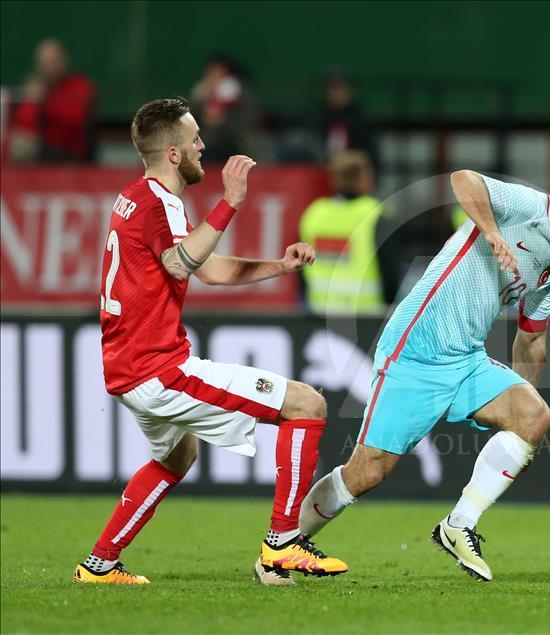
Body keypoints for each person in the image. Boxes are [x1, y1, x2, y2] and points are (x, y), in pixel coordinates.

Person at [298, 156, 550, 581]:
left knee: (535, 416)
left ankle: (458, 526)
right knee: (366, 472)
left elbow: (531, 339)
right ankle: (287, 542)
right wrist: (492, 234)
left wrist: (521, 431)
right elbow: (462, 178)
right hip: (416, 349)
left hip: (466, 358)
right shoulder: (527, 206)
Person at [73, 98, 347, 587]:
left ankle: (99, 565)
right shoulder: (157, 201)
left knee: (177, 457)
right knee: (307, 405)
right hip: (157, 369)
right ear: (174, 153)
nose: (203, 145)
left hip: (128, 368)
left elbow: (208, 267)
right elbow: (182, 264)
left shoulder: (141, 196)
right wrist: (232, 201)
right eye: (194, 138)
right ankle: (282, 544)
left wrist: (279, 267)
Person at [298, 150, 398, 311]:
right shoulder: (377, 214)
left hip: (319, 313)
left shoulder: (314, 213)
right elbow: (390, 272)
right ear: (364, 177)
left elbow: (298, 266)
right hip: (365, 318)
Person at [9, 38, 96, 162]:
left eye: (54, 61)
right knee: (20, 143)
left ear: (65, 61)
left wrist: (45, 102)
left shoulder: (80, 86)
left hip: (70, 153)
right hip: (42, 152)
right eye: (45, 63)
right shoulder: (37, 86)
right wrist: (32, 101)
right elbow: (25, 124)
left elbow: (75, 118)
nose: (50, 68)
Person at [190, 54, 259, 162]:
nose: (213, 76)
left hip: (235, 146)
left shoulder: (239, 91)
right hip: (208, 147)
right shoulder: (204, 91)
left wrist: (222, 122)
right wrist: (197, 100)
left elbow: (247, 122)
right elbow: (191, 121)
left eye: (218, 71)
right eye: (210, 72)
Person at [310, 70, 378, 170]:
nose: (337, 94)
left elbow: (370, 154)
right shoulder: (317, 119)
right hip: (323, 172)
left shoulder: (360, 120)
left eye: (340, 88)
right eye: (332, 89)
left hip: (353, 173)